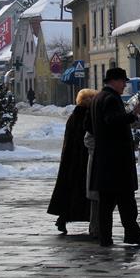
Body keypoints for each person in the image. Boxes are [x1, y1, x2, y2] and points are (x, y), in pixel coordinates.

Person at [89, 67, 140, 247]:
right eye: (123, 81)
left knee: (108, 204)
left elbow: (91, 125)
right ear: (114, 81)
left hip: (105, 161)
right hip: (116, 162)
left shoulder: (97, 98)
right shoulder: (110, 99)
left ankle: (107, 238)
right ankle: (131, 235)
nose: (125, 85)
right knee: (126, 201)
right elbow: (112, 120)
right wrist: (132, 115)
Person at [84, 108, 140, 239]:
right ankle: (99, 232)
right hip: (105, 166)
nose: (124, 85)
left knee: (117, 202)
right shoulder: (102, 115)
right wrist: (104, 153)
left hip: (113, 167)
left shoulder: (116, 113)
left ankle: (119, 234)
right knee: (104, 202)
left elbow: (139, 121)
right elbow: (89, 140)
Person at [47, 89, 98, 234]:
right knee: (86, 194)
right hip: (83, 160)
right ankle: (93, 225)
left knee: (70, 193)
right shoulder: (87, 115)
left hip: (71, 161)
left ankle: (63, 219)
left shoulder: (73, 116)